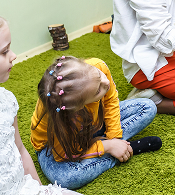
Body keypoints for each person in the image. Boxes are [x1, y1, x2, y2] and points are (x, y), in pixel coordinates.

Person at [31, 56, 161, 190]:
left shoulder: (96, 67)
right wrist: (107, 147)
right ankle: (127, 149)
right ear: (79, 107)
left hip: (93, 122)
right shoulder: (61, 118)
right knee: (66, 179)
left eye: (99, 75)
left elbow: (110, 101)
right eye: (98, 91)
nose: (106, 82)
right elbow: (64, 154)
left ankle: (118, 147)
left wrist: (114, 138)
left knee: (148, 107)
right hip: (59, 146)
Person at [0, 15, 80, 195]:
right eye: (4, 51)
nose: (13, 55)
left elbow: (20, 149)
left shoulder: (6, 101)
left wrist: (39, 189)